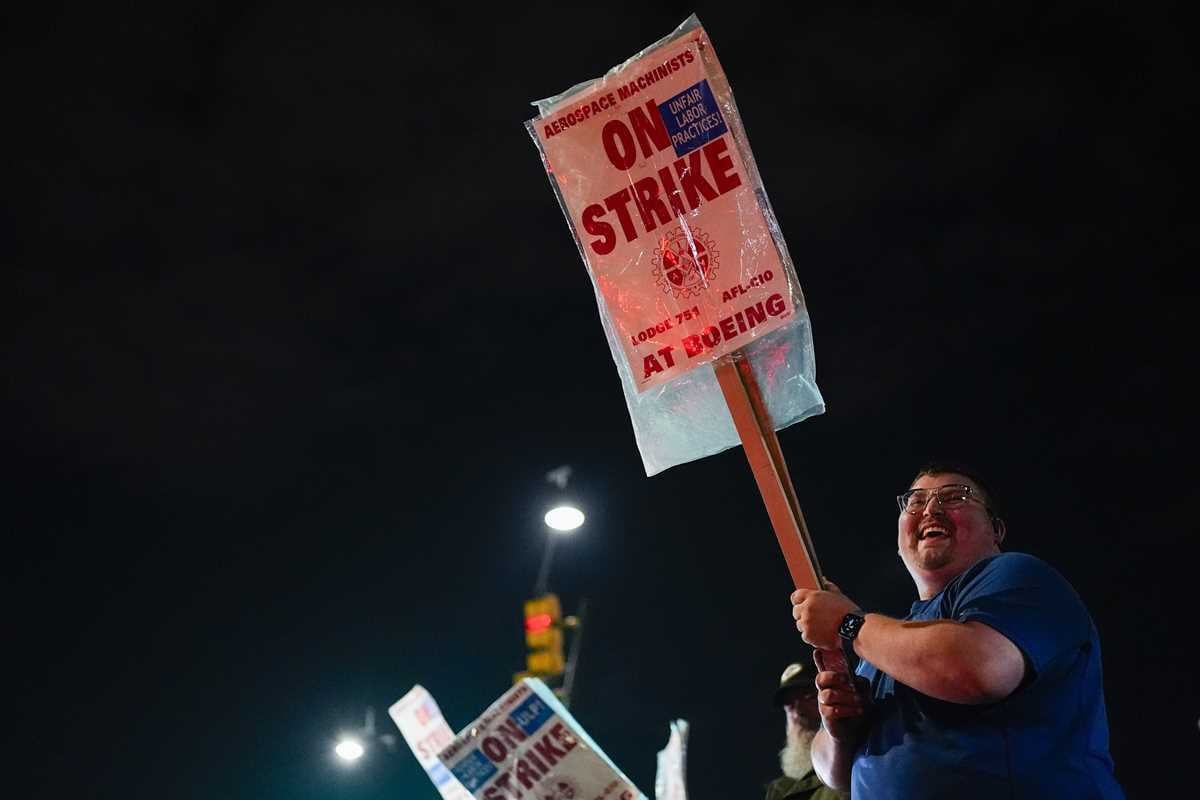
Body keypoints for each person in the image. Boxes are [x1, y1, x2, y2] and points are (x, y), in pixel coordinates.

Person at [789, 462, 1124, 798]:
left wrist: (848, 623)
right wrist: (839, 732)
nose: (931, 509)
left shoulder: (1020, 577)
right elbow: (835, 776)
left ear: (996, 530)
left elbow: (979, 667)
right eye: (916, 502)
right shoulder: (880, 650)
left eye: (954, 497)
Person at [765, 658, 845, 800]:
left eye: (808, 697)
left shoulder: (853, 764)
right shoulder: (779, 790)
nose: (797, 712)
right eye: (789, 705)